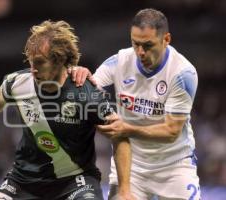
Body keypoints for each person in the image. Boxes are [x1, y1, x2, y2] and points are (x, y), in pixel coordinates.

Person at [0, 20, 133, 200]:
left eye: (39, 63)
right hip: (23, 181)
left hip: (75, 182)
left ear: (59, 60)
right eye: (30, 62)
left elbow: (121, 135)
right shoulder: (20, 83)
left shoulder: (85, 93)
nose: (33, 69)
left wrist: (124, 190)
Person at [71, 8, 200, 200]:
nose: (140, 52)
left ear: (166, 39)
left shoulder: (183, 73)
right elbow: (88, 89)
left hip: (174, 167)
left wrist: (127, 129)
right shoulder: (119, 62)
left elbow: (172, 131)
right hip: (131, 167)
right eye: (135, 44)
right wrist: (79, 73)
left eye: (148, 45)